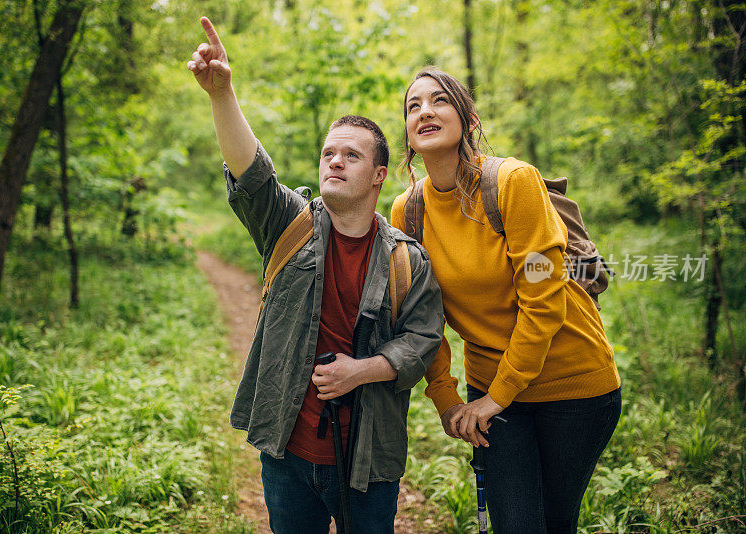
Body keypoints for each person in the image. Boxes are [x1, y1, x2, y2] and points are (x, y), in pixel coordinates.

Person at [187, 18, 443, 534]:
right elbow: (252, 172)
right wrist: (222, 94)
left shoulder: (406, 260)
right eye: (329, 153)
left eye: (352, 155)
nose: (335, 161)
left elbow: (424, 339)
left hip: (369, 463)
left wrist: (362, 370)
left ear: (379, 176)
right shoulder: (291, 226)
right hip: (287, 452)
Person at [390, 67, 622, 534]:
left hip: (575, 384)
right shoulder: (407, 211)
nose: (425, 111)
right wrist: (446, 399)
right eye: (414, 106)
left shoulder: (514, 182)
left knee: (556, 523)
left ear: (469, 121)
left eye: (439, 101)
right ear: (409, 136)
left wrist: (498, 396)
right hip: (492, 392)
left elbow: (544, 299)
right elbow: (421, 318)